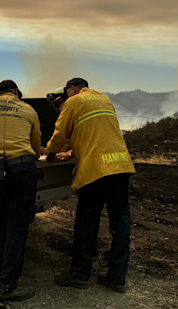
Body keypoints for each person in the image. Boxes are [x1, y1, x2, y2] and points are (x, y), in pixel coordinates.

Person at [46, 78, 135, 293]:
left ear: (72, 89)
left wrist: (50, 153)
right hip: (121, 166)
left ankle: (79, 274)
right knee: (121, 225)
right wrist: (73, 152)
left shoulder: (74, 101)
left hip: (97, 171)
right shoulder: (104, 100)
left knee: (86, 224)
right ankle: (117, 278)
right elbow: (97, 133)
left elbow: (59, 133)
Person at [0, 80, 41, 302]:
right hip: (22, 169)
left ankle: (5, 270)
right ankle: (8, 286)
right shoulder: (29, 109)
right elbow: (35, 143)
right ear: (15, 92)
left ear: (0, 92)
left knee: (4, 221)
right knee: (18, 225)